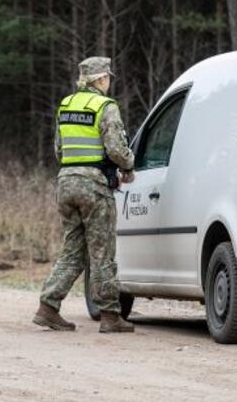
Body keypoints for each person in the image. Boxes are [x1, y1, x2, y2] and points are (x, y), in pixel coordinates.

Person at [33, 56, 136, 333]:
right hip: (94, 186)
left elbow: (58, 150)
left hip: (66, 182)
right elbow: (115, 148)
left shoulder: (66, 105)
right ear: (101, 79)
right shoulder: (106, 106)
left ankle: (48, 306)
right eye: (108, 77)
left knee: (72, 250)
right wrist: (128, 165)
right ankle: (111, 316)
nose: (109, 81)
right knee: (102, 252)